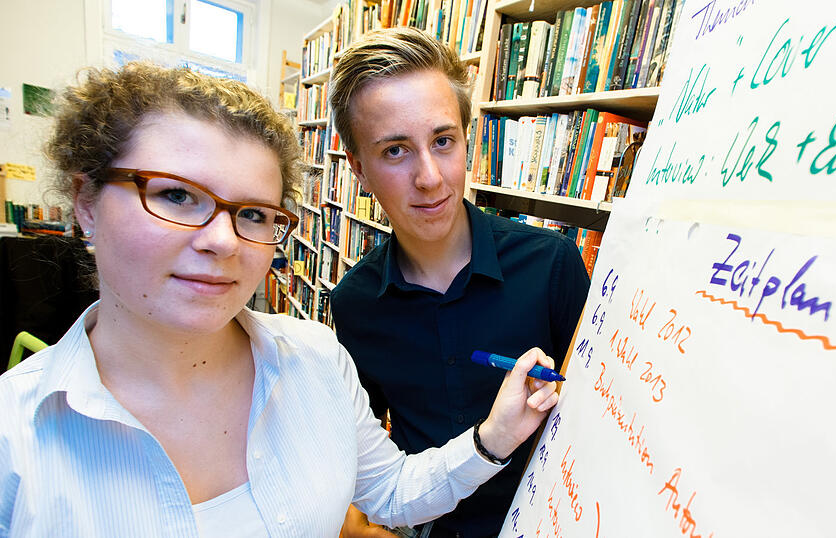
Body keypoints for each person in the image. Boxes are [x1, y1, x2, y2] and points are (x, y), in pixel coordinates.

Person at [0, 61, 560, 536]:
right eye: (177, 196)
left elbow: (389, 490)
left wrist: (494, 436)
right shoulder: (14, 437)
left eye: (252, 213)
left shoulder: (316, 360)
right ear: (87, 203)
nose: (222, 241)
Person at [329, 28, 591, 537]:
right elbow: (362, 464)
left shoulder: (550, 264)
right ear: (358, 169)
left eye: (443, 141)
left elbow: (597, 417)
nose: (430, 177)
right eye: (396, 151)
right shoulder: (354, 304)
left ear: (468, 140)